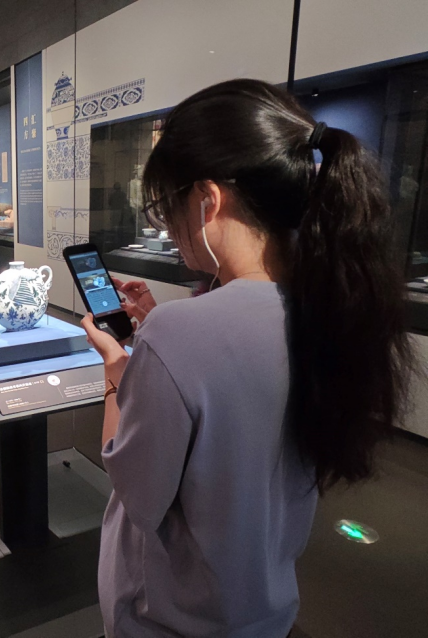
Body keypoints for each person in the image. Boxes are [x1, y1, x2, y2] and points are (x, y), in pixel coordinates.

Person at [81, 79, 414, 638]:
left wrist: (119, 372)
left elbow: (138, 495)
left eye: (165, 207)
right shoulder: (331, 309)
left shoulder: (177, 334)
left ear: (208, 199)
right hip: (265, 606)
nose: (168, 227)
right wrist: (160, 332)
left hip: (170, 617)